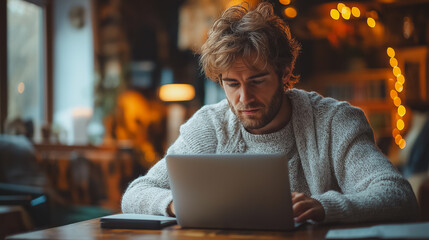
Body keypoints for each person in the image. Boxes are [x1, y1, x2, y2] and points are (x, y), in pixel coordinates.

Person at [122, 2, 419, 223]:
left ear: (285, 71)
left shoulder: (334, 122)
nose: (244, 97)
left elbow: (397, 195)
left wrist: (325, 206)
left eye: (257, 80)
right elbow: (136, 193)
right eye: (232, 84)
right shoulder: (209, 125)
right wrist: (178, 203)